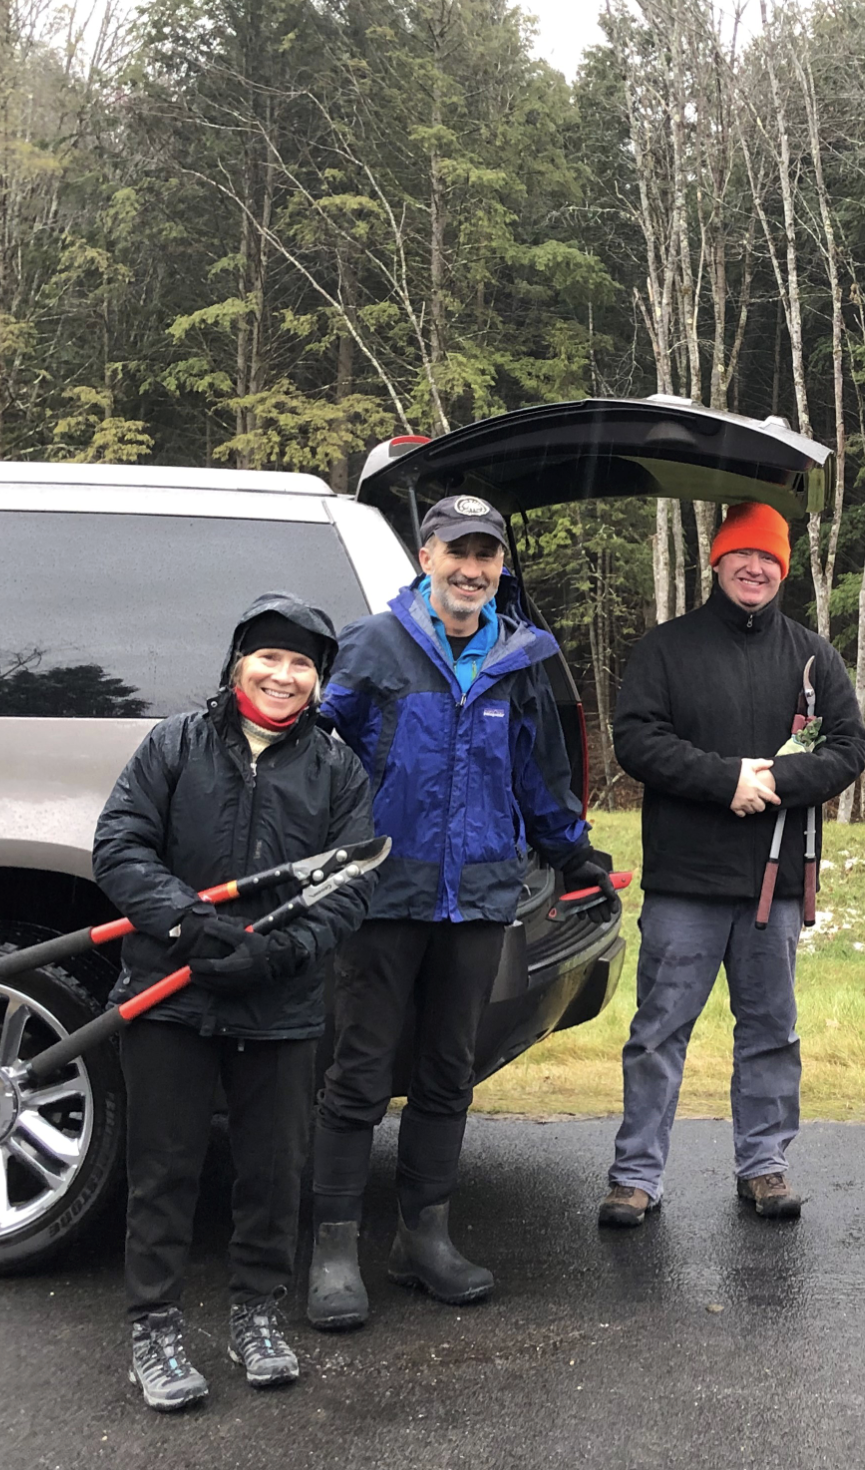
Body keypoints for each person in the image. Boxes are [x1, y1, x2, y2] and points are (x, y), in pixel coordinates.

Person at [309, 494, 609, 1328]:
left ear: (499, 567)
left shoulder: (517, 657)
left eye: (487, 556)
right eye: (457, 552)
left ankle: (422, 1240)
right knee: (360, 1072)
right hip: (386, 894)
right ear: (427, 557)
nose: (472, 569)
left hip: (478, 898)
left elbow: (538, 775)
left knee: (448, 1071)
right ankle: (333, 1249)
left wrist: (569, 847)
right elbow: (316, 755)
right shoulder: (373, 646)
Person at [92, 593, 375, 1412]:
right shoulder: (174, 745)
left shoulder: (338, 768)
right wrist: (190, 924)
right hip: (169, 996)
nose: (283, 676)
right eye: (270, 658)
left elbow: (350, 885)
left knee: (273, 1172)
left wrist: (280, 949)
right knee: (164, 1171)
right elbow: (120, 845)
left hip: (281, 1007)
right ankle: (154, 1326)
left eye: (302, 665)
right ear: (237, 663)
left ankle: (257, 1313)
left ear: (318, 684)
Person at [599, 500, 865, 1227]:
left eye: (770, 559)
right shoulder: (666, 648)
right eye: (742, 556)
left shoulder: (813, 655)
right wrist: (727, 782)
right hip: (686, 879)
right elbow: (636, 740)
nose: (756, 569)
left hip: (773, 884)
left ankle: (765, 1166)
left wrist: (777, 784)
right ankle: (636, 1177)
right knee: (658, 1031)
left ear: (783, 569)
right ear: (716, 562)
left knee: (772, 1031)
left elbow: (850, 748)